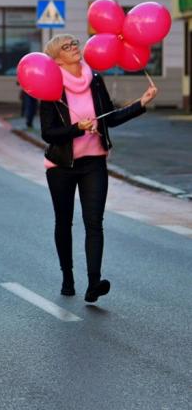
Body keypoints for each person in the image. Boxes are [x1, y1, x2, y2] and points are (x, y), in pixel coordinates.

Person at [40, 34, 157, 303]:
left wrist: (141, 103)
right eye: (66, 47)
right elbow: (48, 133)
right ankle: (67, 277)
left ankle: (94, 283)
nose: (74, 49)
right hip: (61, 165)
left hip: (94, 162)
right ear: (56, 58)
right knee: (64, 222)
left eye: (74, 44)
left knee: (94, 223)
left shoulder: (94, 79)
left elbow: (110, 118)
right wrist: (76, 129)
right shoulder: (51, 86)